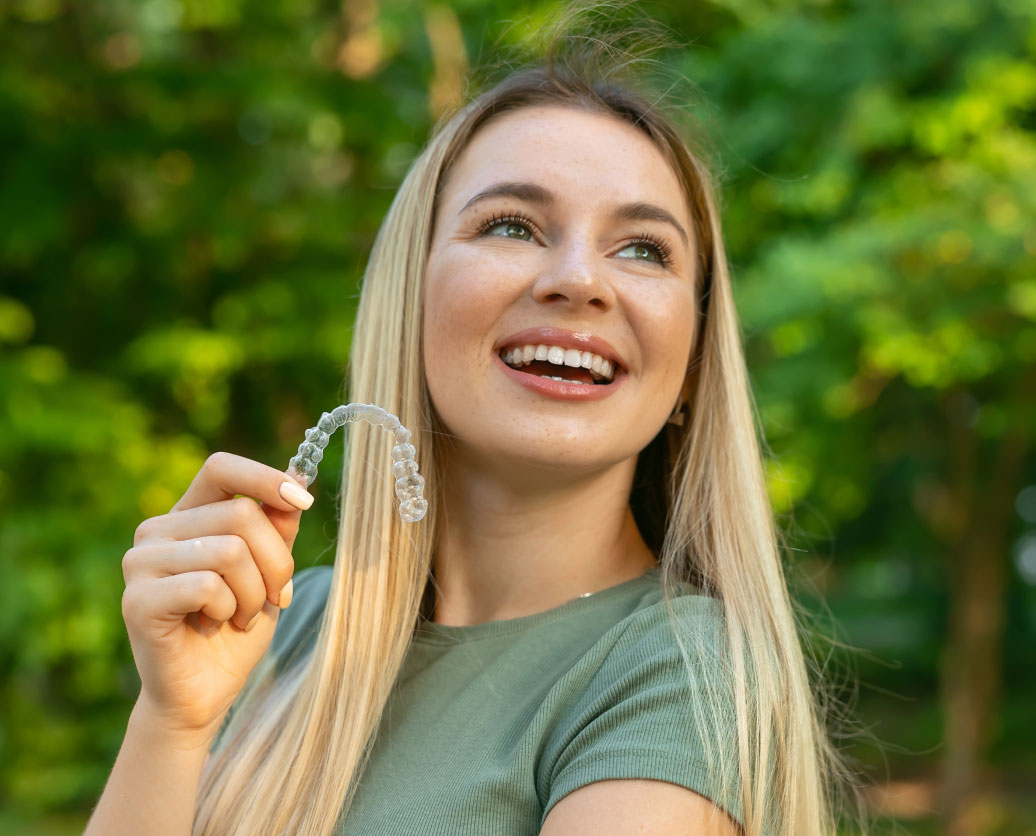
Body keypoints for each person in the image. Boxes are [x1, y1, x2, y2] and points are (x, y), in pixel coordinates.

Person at [85, 20, 853, 836]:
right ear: (407, 301)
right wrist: (173, 722)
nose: (578, 280)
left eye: (643, 249)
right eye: (513, 226)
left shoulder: (681, 673)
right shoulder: (284, 622)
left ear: (692, 368)